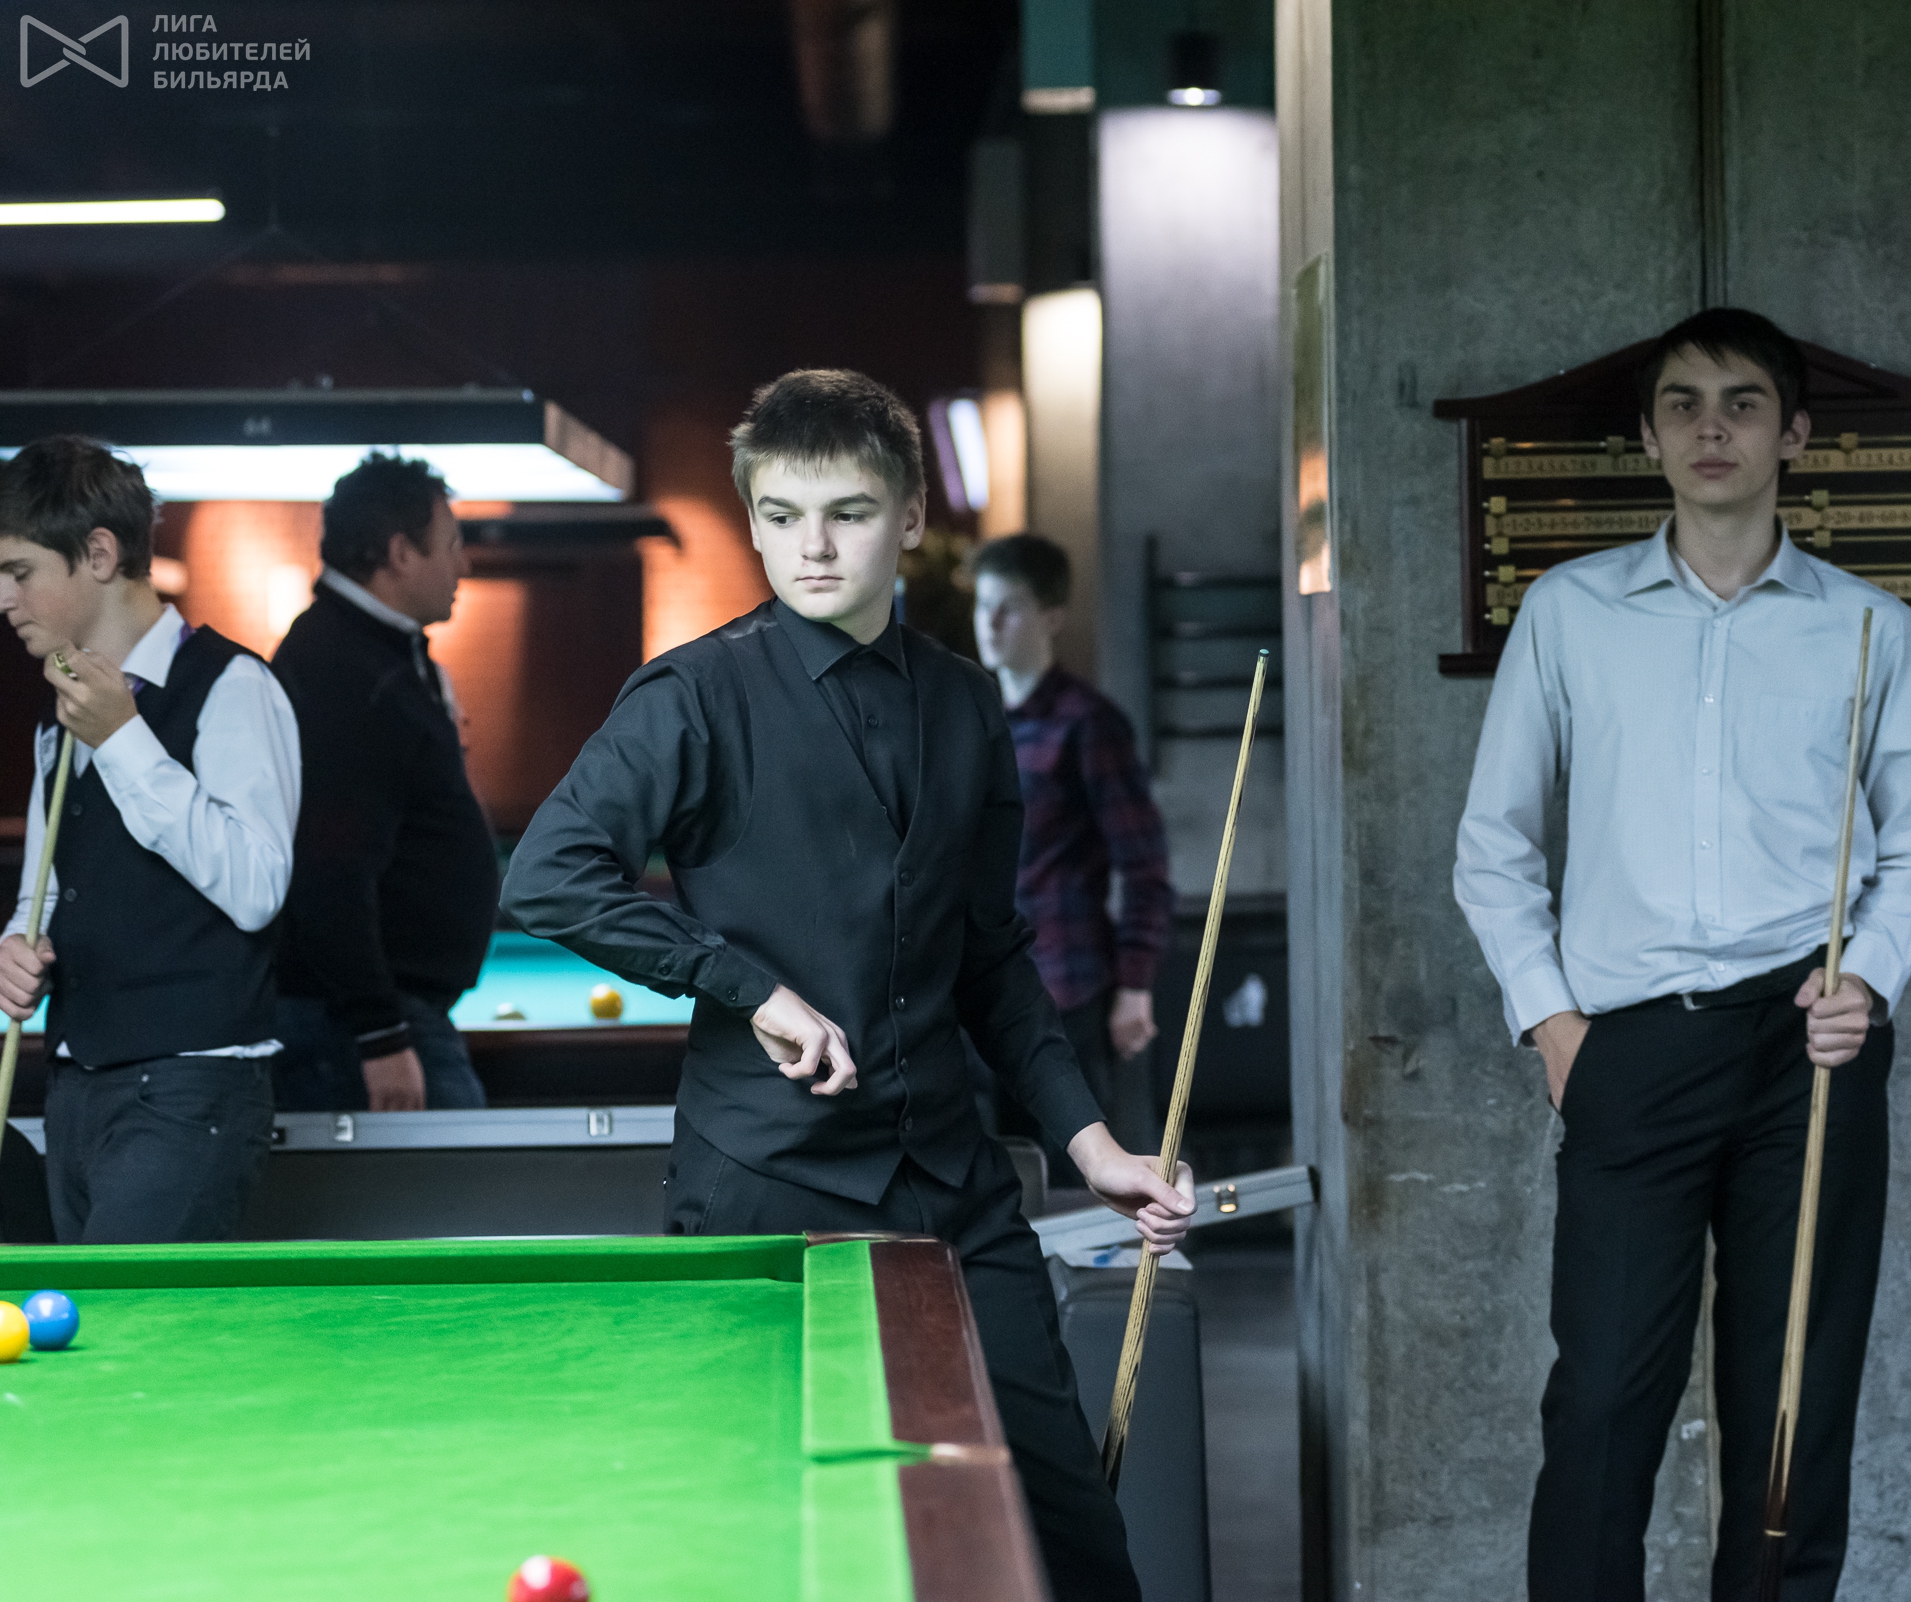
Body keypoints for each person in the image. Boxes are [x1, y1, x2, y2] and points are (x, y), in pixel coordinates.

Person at [500, 368, 1193, 1600]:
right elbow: (548, 876)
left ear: (910, 517)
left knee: (1073, 1543)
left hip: (955, 1188)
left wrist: (1090, 1144)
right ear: (755, 520)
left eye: (847, 513)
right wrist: (744, 987)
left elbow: (992, 954)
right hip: (768, 1183)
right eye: (781, 515)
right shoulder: (693, 696)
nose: (811, 546)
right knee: (774, 1549)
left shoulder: (967, 703)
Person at [1452, 307, 1911, 1602]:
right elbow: (1492, 844)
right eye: (1683, 403)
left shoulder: (1866, 624)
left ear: (1795, 434)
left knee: (1794, 1401)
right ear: (1648, 437)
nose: (1711, 427)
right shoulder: (1570, 612)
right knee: (1605, 1395)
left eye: (1742, 403)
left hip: (1809, 1049)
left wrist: (1869, 978)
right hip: (1630, 1045)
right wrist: (1555, 1025)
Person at [0, 435, 301, 1243]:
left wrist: (124, 739)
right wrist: (16, 948)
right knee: (90, 1319)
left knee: (127, 1318)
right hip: (74, 1089)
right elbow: (45, 895)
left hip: (190, 1092)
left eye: (19, 571)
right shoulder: (60, 717)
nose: (3, 598)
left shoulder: (235, 685)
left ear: (99, 554)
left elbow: (257, 887)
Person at [271, 453, 493, 1113]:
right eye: (450, 545)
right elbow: (326, 870)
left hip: (376, 1012)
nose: (463, 565)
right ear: (400, 553)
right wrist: (380, 1034)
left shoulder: (378, 655)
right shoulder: (347, 673)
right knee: (467, 1183)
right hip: (354, 1025)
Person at [971, 532, 1172, 1167]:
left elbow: (1145, 867)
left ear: (1052, 616)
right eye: (983, 606)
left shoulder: (1087, 722)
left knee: (1079, 1179)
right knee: (1002, 1176)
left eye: (1009, 608)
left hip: (1070, 989)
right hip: (982, 990)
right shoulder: (971, 720)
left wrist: (1135, 986)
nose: (990, 624)